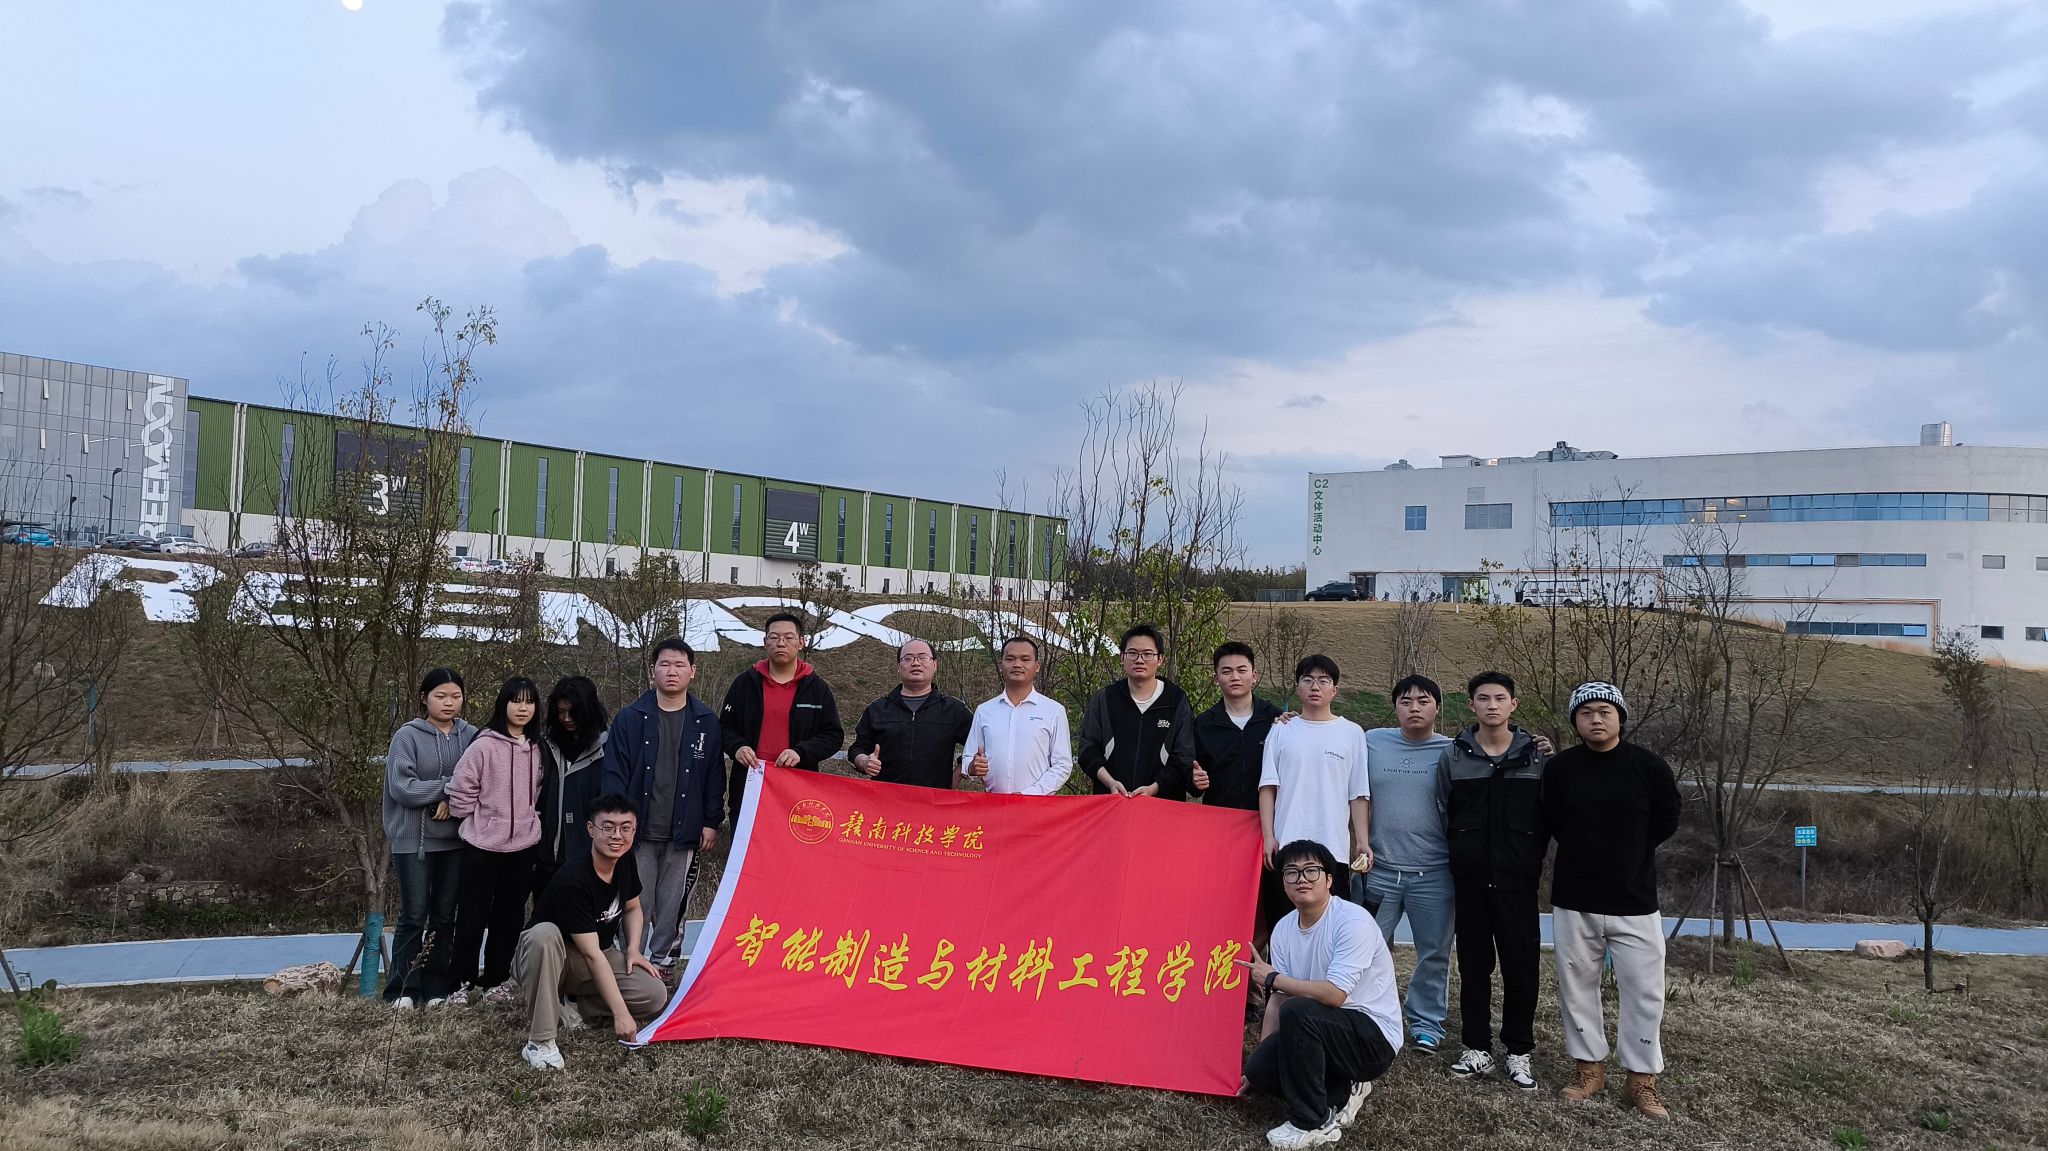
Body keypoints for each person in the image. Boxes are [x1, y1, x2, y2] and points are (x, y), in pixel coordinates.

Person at [1545, 681, 1681, 1119]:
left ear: (1620, 717)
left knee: (1645, 991)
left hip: (1635, 897)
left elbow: (1667, 818)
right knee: (1576, 986)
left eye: (1605, 711)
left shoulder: (1649, 767)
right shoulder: (1561, 769)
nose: (1596, 719)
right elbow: (1553, 821)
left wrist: (1631, 850)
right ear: (1576, 721)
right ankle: (1588, 1068)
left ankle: (1641, 1079)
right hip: (1575, 896)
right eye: (1586, 713)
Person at [1245, 838, 1403, 1149]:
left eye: (1311, 870)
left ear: (1329, 879)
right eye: (1292, 872)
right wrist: (1267, 1052)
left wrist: (1273, 977)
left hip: (1371, 1037)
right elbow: (1278, 997)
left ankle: (1313, 1122)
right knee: (1259, 1070)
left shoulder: (1352, 921)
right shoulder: (1284, 929)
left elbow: (1334, 995)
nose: (1301, 879)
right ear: (1283, 883)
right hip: (1319, 1027)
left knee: (1299, 1011)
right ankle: (1343, 1091)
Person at [1437, 670, 1549, 1090]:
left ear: (1513, 704)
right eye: (1483, 698)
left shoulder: (1537, 757)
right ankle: (1476, 1048)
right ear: (1472, 705)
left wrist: (1529, 858)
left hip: (1519, 882)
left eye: (1500, 698)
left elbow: (1548, 816)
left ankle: (1518, 1051)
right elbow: (1442, 810)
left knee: (1522, 968)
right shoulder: (1454, 756)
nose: (1492, 705)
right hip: (1469, 881)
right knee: (1473, 966)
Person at [510, 793, 669, 1071]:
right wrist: (620, 1014)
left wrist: (633, 949)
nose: (617, 836)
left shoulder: (625, 861)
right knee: (543, 934)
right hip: (553, 958)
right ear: (591, 829)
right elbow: (591, 954)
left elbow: (633, 907)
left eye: (626, 828)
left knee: (653, 994)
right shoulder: (574, 879)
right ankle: (540, 1041)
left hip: (596, 954)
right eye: (608, 827)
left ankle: (572, 1006)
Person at [604, 638, 723, 969]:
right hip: (636, 832)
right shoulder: (630, 718)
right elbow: (614, 774)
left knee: (673, 904)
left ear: (692, 671)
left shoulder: (705, 721)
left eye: (680, 665)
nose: (672, 671)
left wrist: (711, 821)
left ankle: (664, 963)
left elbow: (715, 776)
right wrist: (616, 824)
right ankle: (629, 963)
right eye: (665, 664)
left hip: (685, 831)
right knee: (633, 901)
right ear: (653, 670)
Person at [1359, 673, 1456, 1056]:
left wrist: (1535, 744)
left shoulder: (1453, 750)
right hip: (1379, 870)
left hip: (1434, 872)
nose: (1414, 708)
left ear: (1437, 708)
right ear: (1395, 707)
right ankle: (1368, 1015)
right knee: (1365, 948)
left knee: (1433, 952)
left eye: (1423, 701)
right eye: (1406, 701)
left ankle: (1426, 1024)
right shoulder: (1371, 741)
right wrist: (1287, 718)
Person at [446, 676, 547, 1006]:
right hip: (483, 846)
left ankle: (496, 981)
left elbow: (539, 791)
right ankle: (460, 983)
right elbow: (461, 790)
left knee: (509, 917)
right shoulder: (484, 745)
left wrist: (530, 821)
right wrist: (477, 820)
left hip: (523, 848)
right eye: (516, 701)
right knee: (472, 917)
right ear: (503, 704)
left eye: (529, 702)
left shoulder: (538, 748)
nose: (522, 708)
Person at [381, 667, 478, 1007]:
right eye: (440, 696)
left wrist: (453, 800)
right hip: (413, 842)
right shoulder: (406, 737)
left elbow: (480, 781)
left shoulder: (472, 736)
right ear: (424, 698)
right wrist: (449, 789)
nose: (449, 703)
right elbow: (403, 788)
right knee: (413, 916)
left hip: (456, 841)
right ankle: (403, 989)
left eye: (455, 696)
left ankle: (437, 987)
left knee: (444, 917)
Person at [1189, 641, 1286, 943]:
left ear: (1254, 676)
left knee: (1273, 904)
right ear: (1216, 677)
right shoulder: (1203, 724)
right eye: (1226, 671)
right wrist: (1195, 781)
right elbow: (1191, 777)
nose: (1235, 677)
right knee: (1225, 904)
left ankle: (1271, 967)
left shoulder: (1277, 721)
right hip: (1222, 830)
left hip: (1270, 827)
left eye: (1242, 670)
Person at [720, 611, 844, 827]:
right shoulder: (745, 683)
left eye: (788, 637)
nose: (780, 643)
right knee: (747, 844)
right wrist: (737, 747)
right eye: (774, 637)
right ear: (765, 642)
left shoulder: (816, 688)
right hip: (749, 786)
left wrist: (801, 752)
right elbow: (724, 727)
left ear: (801, 643)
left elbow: (833, 736)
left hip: (798, 790)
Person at [1258, 655, 1369, 880]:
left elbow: (1358, 794)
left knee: (1332, 904)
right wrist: (1268, 836)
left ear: (1334, 690)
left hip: (1333, 847)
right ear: (1298, 687)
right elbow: (1268, 787)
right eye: (1307, 680)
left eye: (1323, 680)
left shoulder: (1352, 733)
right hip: (1286, 843)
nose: (1315, 687)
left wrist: (1362, 841)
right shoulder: (1281, 730)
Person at [1078, 624, 1199, 799]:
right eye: (1132, 653)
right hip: (1113, 801)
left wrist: (1154, 788)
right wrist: (1110, 782)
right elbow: (1087, 749)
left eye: (1148, 654)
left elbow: (1183, 756)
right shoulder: (1106, 699)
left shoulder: (1175, 701)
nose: (1140, 660)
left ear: (1160, 659)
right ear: (1122, 657)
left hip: (1162, 804)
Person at [849, 638, 975, 789]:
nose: (916, 663)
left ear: (935, 665)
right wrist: (864, 762)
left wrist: (959, 772)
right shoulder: (878, 709)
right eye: (908, 658)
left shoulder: (954, 710)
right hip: (885, 797)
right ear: (898, 666)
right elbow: (856, 749)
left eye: (923, 657)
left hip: (934, 799)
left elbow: (979, 744)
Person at [962, 634, 1073, 795]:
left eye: (1025, 659)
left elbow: (1062, 765)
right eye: (1010, 659)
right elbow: (968, 758)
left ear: (1037, 666)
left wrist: (1029, 794)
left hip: (1036, 804)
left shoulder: (1053, 711)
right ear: (1001, 665)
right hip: (993, 803)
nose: (1017, 664)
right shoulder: (984, 711)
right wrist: (971, 767)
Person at [533, 676, 609, 899]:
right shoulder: (544, 745)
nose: (566, 718)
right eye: (560, 712)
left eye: (572, 712)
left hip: (590, 855)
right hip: (547, 855)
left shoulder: (608, 747)